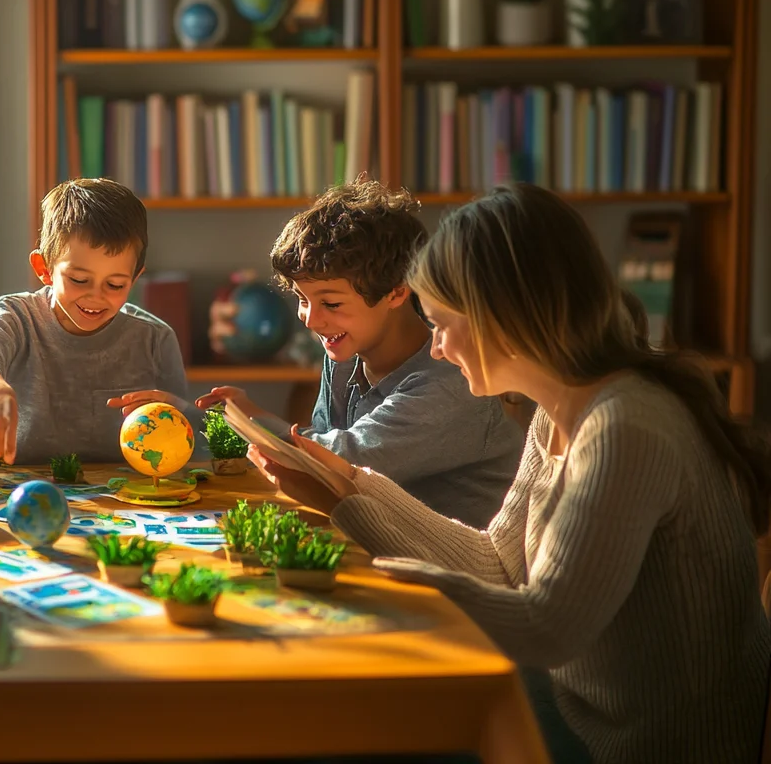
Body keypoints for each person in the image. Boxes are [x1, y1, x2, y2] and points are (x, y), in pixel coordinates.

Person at [252, 183, 771, 763]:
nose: (440, 348)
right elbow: (498, 563)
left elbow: (547, 630)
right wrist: (347, 494)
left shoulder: (627, 427)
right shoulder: (559, 409)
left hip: (638, 744)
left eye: (445, 322)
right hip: (583, 711)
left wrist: (403, 586)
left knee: (348, 727)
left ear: (509, 317)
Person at [141, 179, 522, 528]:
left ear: (396, 291)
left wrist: (222, 420)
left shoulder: (449, 382)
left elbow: (337, 462)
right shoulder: (347, 352)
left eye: (331, 303)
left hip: (451, 573)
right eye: (302, 299)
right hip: (374, 541)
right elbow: (319, 446)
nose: (310, 319)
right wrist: (239, 418)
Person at [0, 178, 193, 465]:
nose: (96, 296)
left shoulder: (155, 339)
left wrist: (179, 410)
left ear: (135, 279)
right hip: (21, 490)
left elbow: (185, 437)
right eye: (79, 280)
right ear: (44, 268)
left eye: (115, 285)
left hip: (122, 497)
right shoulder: (15, 317)